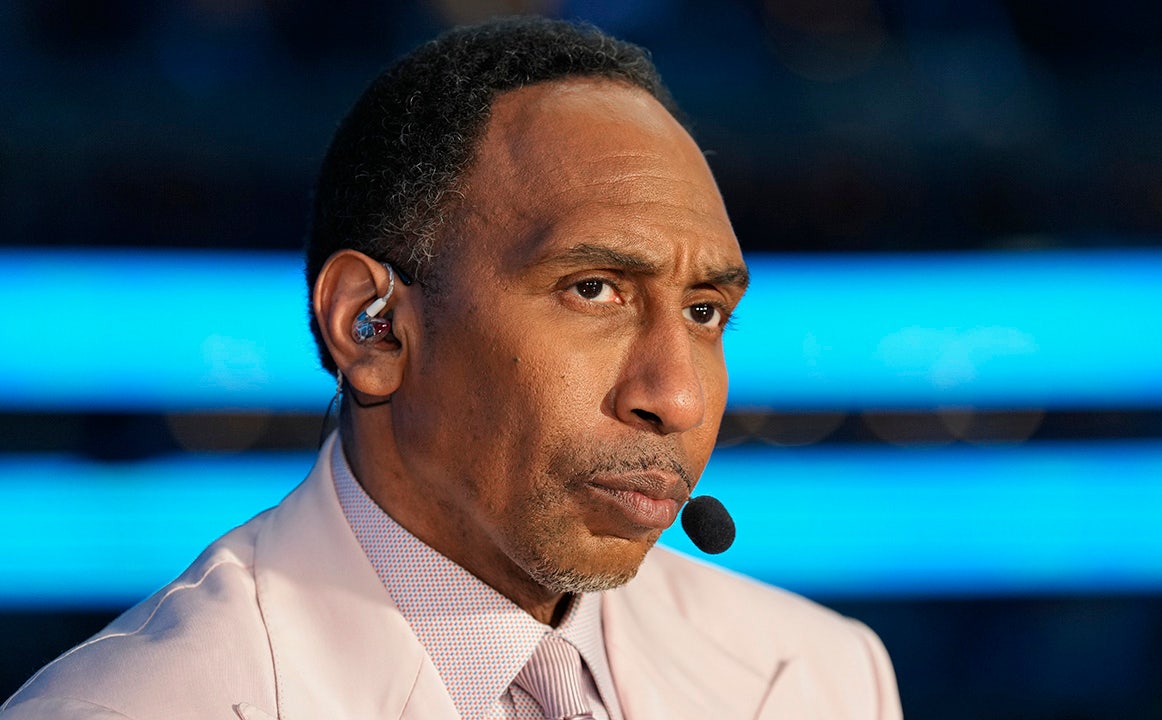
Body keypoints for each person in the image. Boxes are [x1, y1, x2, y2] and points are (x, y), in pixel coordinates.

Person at [1, 17, 900, 720]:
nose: (678, 396)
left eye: (704, 313)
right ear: (373, 328)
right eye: (594, 289)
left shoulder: (825, 676)